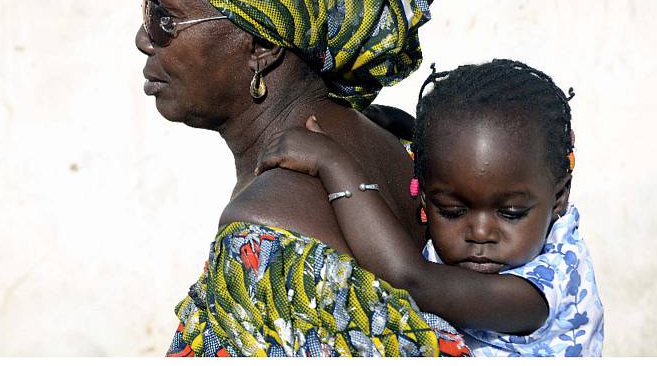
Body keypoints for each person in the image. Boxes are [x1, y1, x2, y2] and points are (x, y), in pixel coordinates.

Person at [136, 0, 469, 357]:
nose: (143, 38)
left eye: (164, 18)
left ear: (262, 45)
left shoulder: (266, 240)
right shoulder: (388, 143)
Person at [257, 59, 605, 356]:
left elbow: (410, 280)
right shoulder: (515, 220)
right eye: (452, 211)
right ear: (423, 195)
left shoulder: (544, 291)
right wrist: (401, 126)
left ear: (559, 198)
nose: (480, 232)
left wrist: (331, 162)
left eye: (510, 213)